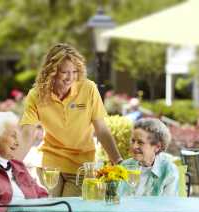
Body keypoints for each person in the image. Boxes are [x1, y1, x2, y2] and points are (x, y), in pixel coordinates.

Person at [17, 43, 122, 197]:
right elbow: (27, 134)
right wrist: (10, 163)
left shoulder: (88, 89)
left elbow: (101, 129)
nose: (70, 77)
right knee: (49, 210)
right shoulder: (36, 95)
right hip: (49, 163)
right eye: (64, 72)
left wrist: (118, 160)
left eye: (74, 72)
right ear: (51, 72)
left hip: (81, 165)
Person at [121, 118, 179, 197]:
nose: (134, 146)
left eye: (140, 142)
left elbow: (168, 206)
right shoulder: (125, 166)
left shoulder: (168, 171)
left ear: (157, 147)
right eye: (133, 141)